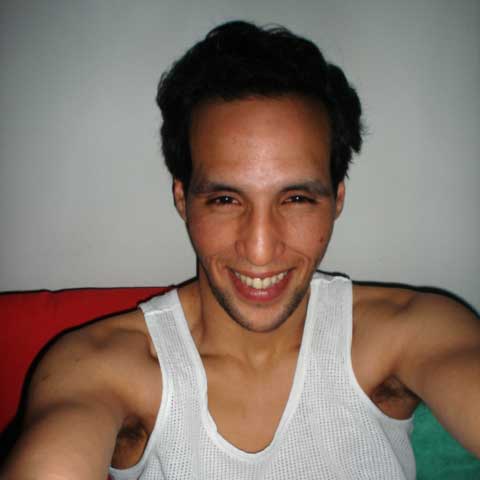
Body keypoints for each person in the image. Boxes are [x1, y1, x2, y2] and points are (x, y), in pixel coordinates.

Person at [1, 20, 479, 480]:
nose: (260, 249)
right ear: (182, 200)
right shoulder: (101, 367)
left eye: (296, 199)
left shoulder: (410, 333)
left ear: (337, 200)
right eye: (226, 200)